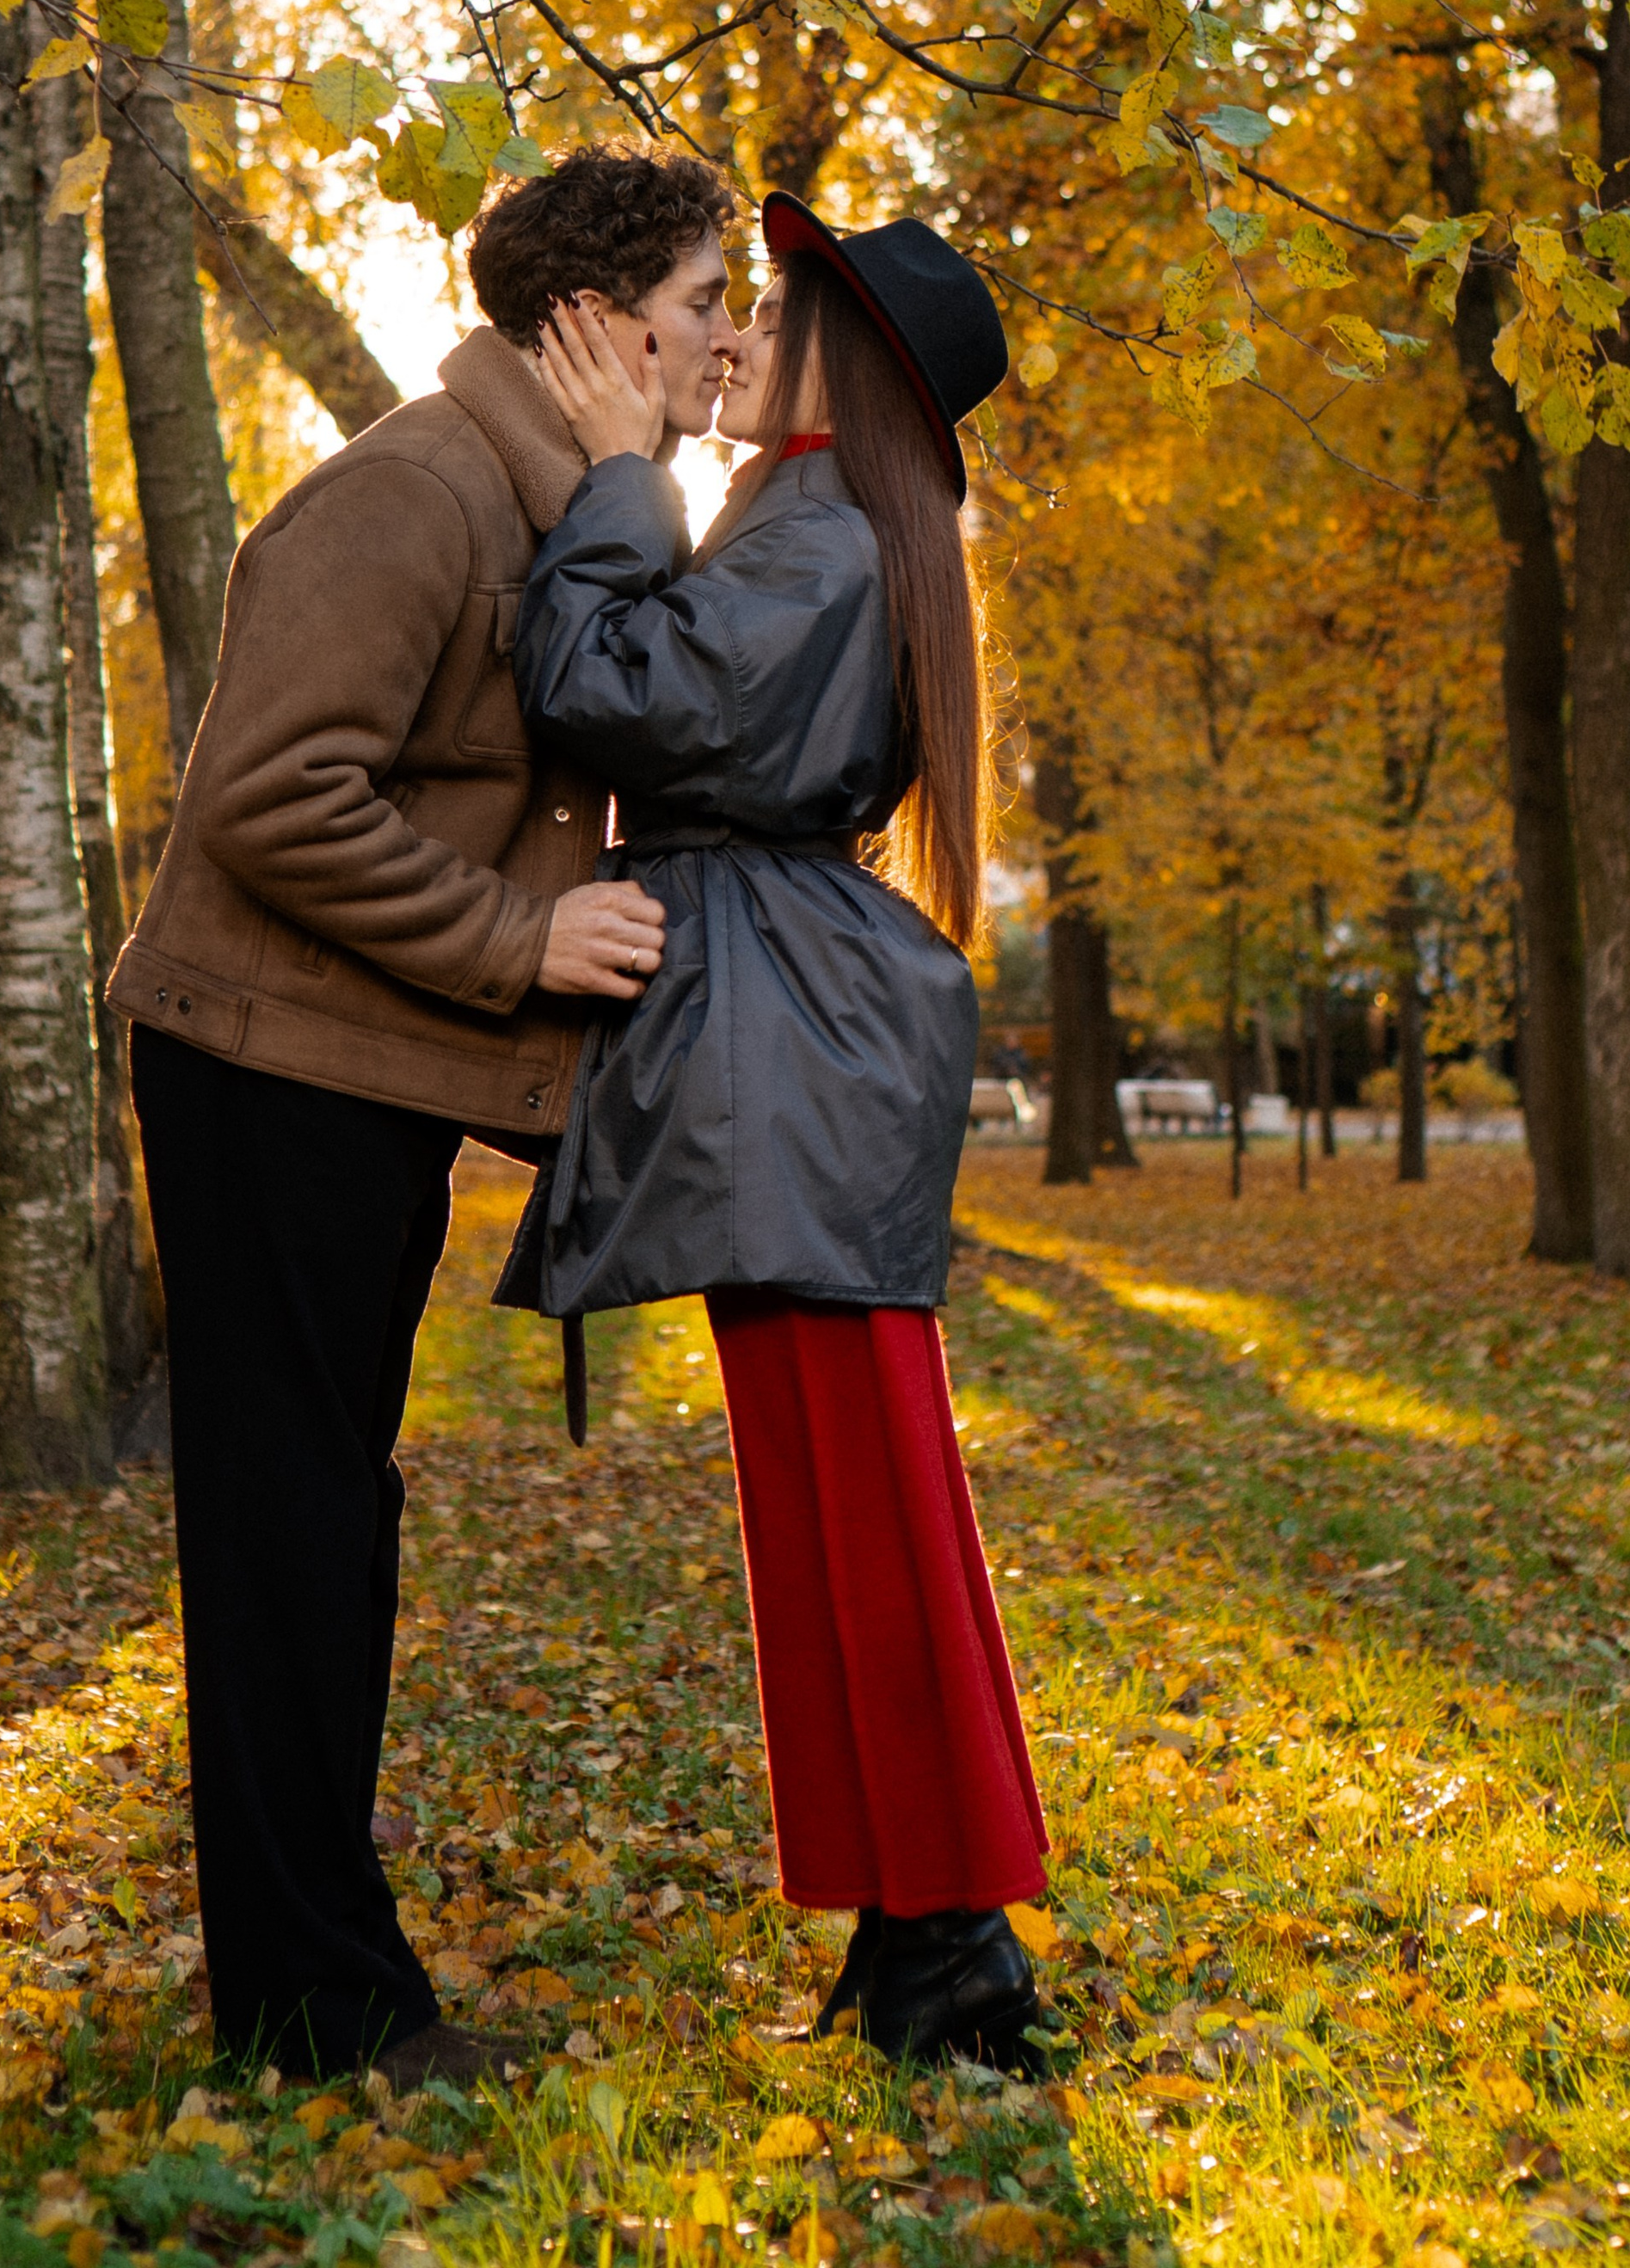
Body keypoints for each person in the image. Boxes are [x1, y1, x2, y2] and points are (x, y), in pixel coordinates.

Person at [108, 144, 736, 2087]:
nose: (728, 347)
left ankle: (322, 1990)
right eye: (706, 305)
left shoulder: (555, 496)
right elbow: (270, 800)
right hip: (256, 1069)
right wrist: (518, 943)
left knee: (328, 1524)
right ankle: (315, 2019)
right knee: (290, 1531)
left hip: (351, 1075)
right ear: (598, 323)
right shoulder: (411, 492)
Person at [501, 192, 1050, 2069]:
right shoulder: (810, 521)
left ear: (836, 363)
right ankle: (914, 1931)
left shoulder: (812, 536)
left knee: (866, 1494)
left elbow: (610, 687)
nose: (727, 335)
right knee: (826, 1501)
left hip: (787, 1059)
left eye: (768, 312)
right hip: (781, 1044)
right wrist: (677, 463)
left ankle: (961, 1947)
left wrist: (616, 471)